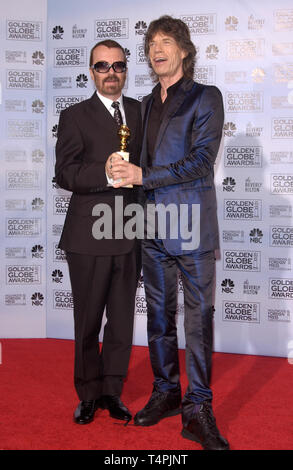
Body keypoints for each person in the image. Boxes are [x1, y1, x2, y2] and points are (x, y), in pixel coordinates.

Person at [110, 16, 229, 450]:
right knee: (159, 320)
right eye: (151, 44)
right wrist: (123, 172)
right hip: (152, 229)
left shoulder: (206, 98)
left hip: (192, 228)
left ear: (184, 49)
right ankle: (167, 392)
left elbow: (201, 161)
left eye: (166, 41)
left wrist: (144, 173)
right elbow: (138, 164)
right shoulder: (143, 103)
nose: (157, 49)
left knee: (198, 322)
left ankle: (198, 408)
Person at [55, 40, 142, 425]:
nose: (111, 72)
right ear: (91, 72)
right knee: (88, 320)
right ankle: (88, 394)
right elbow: (65, 174)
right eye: (102, 66)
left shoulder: (141, 112)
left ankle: (112, 391)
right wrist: (105, 172)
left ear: (126, 70)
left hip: (131, 231)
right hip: (88, 236)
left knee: (122, 321)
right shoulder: (74, 115)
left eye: (118, 65)